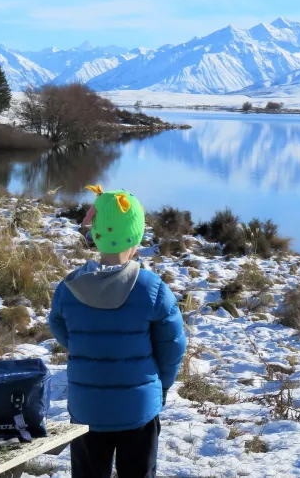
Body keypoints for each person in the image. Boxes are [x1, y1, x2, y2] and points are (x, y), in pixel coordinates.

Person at [49, 185, 186, 478]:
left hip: (87, 409)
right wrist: (162, 385)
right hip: (138, 408)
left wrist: (86, 350)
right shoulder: (153, 289)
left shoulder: (70, 287)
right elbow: (173, 345)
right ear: (135, 236)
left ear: (96, 234)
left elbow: (59, 326)